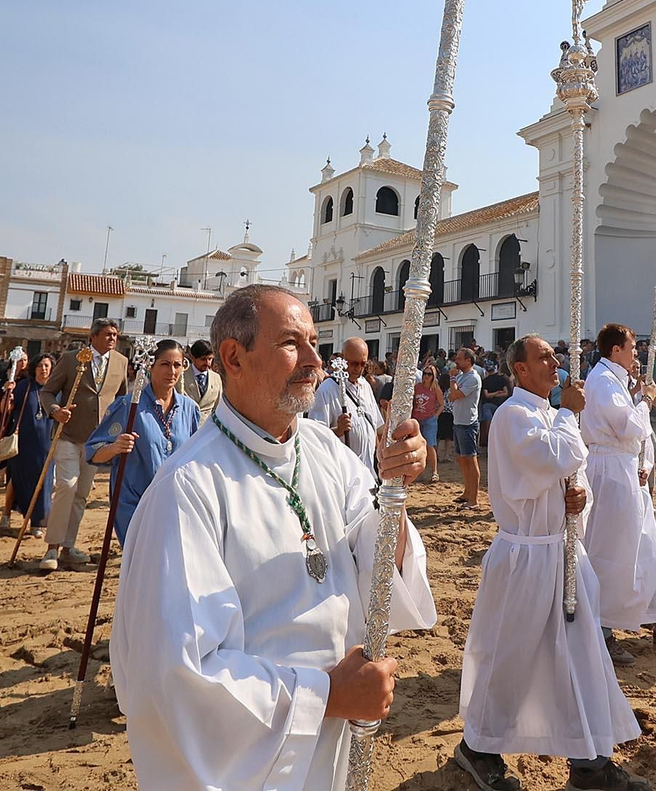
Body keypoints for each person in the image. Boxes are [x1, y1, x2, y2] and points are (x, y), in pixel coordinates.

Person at [109, 284, 435, 790]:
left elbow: (376, 562)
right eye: (290, 343)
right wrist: (325, 696)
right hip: (255, 759)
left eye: (313, 341)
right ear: (233, 358)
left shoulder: (324, 448)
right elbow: (180, 675)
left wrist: (394, 493)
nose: (314, 360)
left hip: (335, 740)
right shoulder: (189, 487)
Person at [455, 335, 650, 791]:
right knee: (510, 657)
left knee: (585, 657)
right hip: (526, 556)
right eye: (543, 356)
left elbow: (574, 470)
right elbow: (553, 455)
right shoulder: (513, 415)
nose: (554, 361)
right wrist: (568, 412)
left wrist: (580, 497)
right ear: (520, 369)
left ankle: (591, 765)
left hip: (563, 552)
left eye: (553, 355)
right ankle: (478, 747)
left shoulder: (547, 413)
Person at [581, 323, 656, 668]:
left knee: (646, 549)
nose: (636, 353)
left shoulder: (614, 379)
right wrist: (646, 398)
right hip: (610, 473)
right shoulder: (604, 381)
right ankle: (603, 629)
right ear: (615, 350)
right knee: (612, 552)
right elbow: (629, 427)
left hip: (624, 469)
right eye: (632, 347)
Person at [85, 338, 201, 543]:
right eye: (165, 364)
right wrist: (115, 447)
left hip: (175, 502)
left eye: (177, 365)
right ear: (151, 366)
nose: (171, 371)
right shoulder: (128, 406)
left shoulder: (190, 409)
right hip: (135, 501)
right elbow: (93, 450)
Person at [38, 319, 129, 572]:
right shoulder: (71, 359)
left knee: (82, 494)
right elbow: (47, 392)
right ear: (94, 336)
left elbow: (121, 399)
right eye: (108, 334)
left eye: (115, 335)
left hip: (98, 441)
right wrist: (55, 410)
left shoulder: (121, 362)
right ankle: (52, 547)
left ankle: (69, 546)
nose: (112, 338)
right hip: (68, 434)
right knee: (66, 486)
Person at [308, 338, 382, 474]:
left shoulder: (365, 386)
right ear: (342, 359)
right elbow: (314, 438)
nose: (358, 369)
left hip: (369, 473)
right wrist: (338, 431)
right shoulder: (327, 390)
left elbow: (375, 427)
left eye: (363, 364)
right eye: (354, 364)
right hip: (342, 475)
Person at [1, 354, 55, 538]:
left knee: (43, 482)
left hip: (47, 442)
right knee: (17, 480)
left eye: (47, 365)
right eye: (40, 365)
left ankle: (37, 522)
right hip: (24, 442)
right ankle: (6, 513)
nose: (44, 369)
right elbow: (6, 409)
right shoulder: (24, 386)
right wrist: (7, 396)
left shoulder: (56, 389)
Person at [448, 346, 484, 507]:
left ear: (468, 360)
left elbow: (455, 395)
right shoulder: (462, 376)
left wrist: (452, 380)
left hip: (468, 423)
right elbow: (451, 395)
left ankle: (474, 498)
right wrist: (454, 384)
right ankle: (467, 492)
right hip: (459, 421)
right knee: (462, 459)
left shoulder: (473, 378)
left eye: (459, 358)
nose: (456, 361)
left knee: (471, 459)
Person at [178, 338, 223, 423]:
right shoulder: (181, 376)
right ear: (193, 358)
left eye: (210, 359)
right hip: (185, 423)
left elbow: (218, 406)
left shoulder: (217, 378)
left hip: (207, 427)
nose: (207, 363)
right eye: (203, 359)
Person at [413, 365, 444, 482]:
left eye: (429, 374)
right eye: (425, 373)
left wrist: (435, 416)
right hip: (417, 419)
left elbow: (441, 404)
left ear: (433, 376)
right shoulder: (417, 387)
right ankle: (419, 471)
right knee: (417, 446)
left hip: (429, 419)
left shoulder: (435, 389)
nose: (426, 376)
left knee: (430, 445)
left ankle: (434, 471)